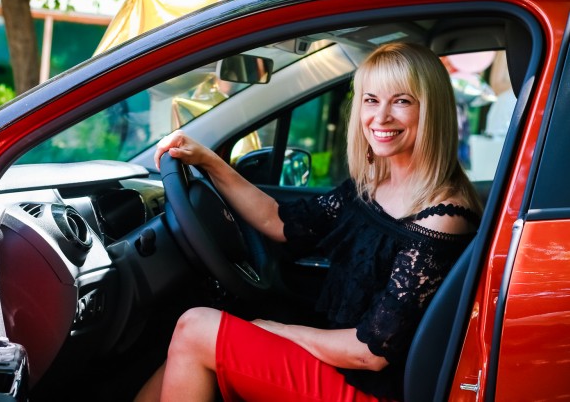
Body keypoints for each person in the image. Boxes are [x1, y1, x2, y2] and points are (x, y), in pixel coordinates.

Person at [135, 42, 483, 402]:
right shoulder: (372, 187)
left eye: (402, 101)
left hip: (369, 389)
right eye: (371, 100)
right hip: (341, 366)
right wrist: (209, 161)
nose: (381, 117)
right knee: (188, 338)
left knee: (195, 329)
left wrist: (279, 330)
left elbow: (371, 352)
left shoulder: (442, 216)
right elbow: (278, 220)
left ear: (431, 110)